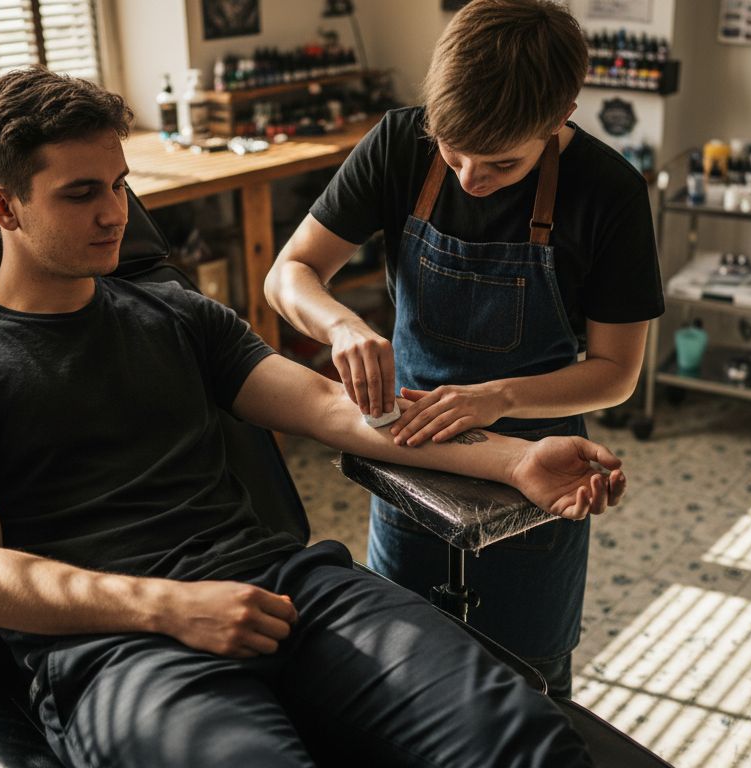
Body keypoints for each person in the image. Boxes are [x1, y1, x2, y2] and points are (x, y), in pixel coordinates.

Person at [0, 67, 630, 767]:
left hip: (284, 588)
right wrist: (169, 607)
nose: (115, 214)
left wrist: (513, 460)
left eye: (119, 184)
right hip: (117, 648)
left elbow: (333, 408)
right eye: (80, 195)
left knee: (523, 737)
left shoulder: (176, 315)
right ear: (3, 206)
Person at [263, 0, 665, 696]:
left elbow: (615, 372)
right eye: (453, 150)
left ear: (562, 114)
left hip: (535, 479)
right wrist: (341, 325)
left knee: (524, 688)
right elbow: (289, 273)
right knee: (399, 677)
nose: (470, 178)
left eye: (502, 162)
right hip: (410, 455)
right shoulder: (400, 142)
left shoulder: (609, 192)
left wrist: (498, 396)